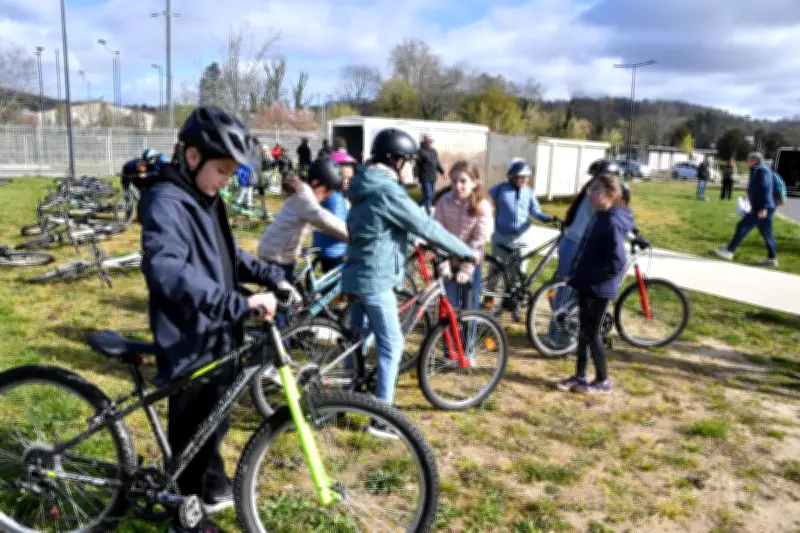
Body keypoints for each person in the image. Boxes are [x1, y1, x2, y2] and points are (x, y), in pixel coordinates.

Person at [139, 106, 291, 533]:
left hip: (216, 331)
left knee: (216, 417)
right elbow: (166, 270)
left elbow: (227, 255)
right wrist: (236, 304)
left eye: (232, 172)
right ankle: (184, 518)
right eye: (222, 169)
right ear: (192, 156)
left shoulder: (204, 198)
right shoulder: (167, 200)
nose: (228, 179)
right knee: (193, 430)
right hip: (189, 337)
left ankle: (209, 484)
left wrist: (271, 276)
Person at [343, 128, 476, 437]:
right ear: (396, 160)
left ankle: (350, 396)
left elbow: (390, 224)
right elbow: (424, 223)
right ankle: (382, 419)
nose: (406, 167)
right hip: (375, 278)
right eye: (405, 161)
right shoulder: (387, 190)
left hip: (356, 274)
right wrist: (464, 251)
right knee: (392, 345)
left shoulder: (365, 185)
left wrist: (415, 240)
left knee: (358, 340)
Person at [555, 172, 634, 394]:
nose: (591, 195)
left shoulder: (611, 221)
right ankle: (580, 376)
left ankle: (603, 380)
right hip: (587, 285)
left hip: (599, 289)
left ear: (612, 195)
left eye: (597, 191)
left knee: (593, 334)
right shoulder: (600, 215)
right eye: (591, 190)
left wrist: (591, 278)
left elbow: (617, 262)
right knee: (584, 331)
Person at [257, 157, 348, 285]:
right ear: (316, 183)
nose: (328, 195)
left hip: (282, 254)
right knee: (288, 300)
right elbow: (326, 221)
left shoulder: (304, 192)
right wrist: (355, 236)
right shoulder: (305, 197)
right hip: (275, 257)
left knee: (297, 294)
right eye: (327, 190)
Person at [483, 159, 555, 311]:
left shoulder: (528, 192)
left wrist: (547, 219)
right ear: (510, 177)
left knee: (519, 273)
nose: (522, 180)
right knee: (495, 271)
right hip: (501, 238)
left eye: (525, 178)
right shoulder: (501, 189)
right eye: (518, 177)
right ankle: (489, 299)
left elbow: (535, 211)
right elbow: (484, 199)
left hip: (521, 240)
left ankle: (512, 303)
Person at [433, 161, 493, 310]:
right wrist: (443, 263)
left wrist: (466, 269)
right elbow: (437, 235)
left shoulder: (482, 205)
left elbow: (479, 240)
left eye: (463, 181)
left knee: (470, 308)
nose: (457, 186)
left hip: (471, 263)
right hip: (448, 261)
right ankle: (449, 334)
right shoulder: (443, 202)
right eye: (454, 181)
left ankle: (469, 334)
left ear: (474, 182)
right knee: (449, 308)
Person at [714, 152, 778, 267]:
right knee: (767, 233)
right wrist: (749, 196)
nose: (746, 162)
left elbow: (766, 189)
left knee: (742, 226)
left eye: (748, 160)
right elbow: (757, 188)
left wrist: (763, 208)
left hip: (762, 208)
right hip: (763, 207)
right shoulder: (757, 169)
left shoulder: (762, 170)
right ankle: (772, 258)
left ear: (754, 160)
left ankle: (729, 251)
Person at [416, 134, 446, 215]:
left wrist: (442, 172)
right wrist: (416, 176)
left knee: (431, 195)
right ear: (425, 141)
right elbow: (417, 165)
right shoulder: (420, 151)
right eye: (429, 140)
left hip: (432, 177)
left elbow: (437, 163)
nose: (431, 142)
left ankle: (416, 206)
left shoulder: (433, 151)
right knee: (428, 195)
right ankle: (428, 212)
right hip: (424, 177)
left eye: (432, 141)